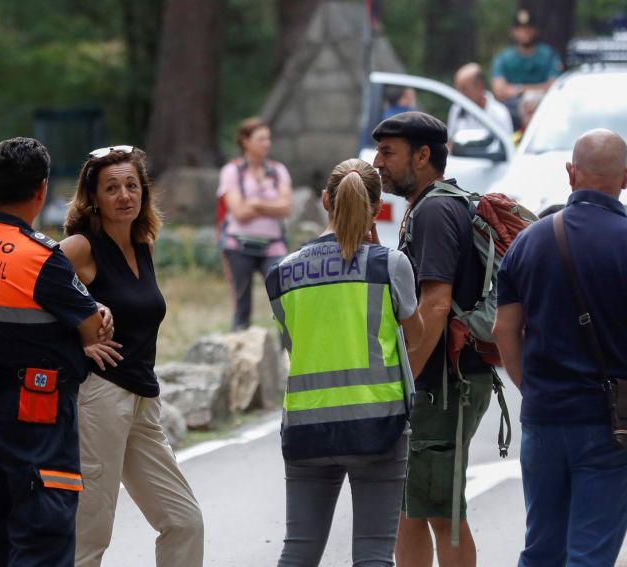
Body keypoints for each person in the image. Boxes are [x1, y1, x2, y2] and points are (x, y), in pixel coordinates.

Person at [0, 137, 110, 566]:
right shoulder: (42, 258)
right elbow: (95, 332)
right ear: (41, 191)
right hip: (38, 420)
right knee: (42, 539)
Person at [265, 158, 422, 567]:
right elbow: (417, 334)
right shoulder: (389, 265)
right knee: (373, 552)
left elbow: (293, 341)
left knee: (298, 548)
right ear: (376, 208)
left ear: (324, 201)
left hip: (305, 427)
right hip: (379, 426)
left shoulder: (282, 274)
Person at [60, 146, 204, 567]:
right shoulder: (81, 247)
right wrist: (81, 337)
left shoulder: (143, 245)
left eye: (132, 185)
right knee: (90, 534)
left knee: (183, 521)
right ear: (94, 198)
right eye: (112, 188)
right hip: (100, 398)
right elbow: (34, 283)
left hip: (143, 401)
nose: (125, 195)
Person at [494, 129, 627, 567]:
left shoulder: (528, 242)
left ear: (571, 173)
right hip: (610, 425)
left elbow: (503, 329)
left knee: (542, 550)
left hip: (544, 417)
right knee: (589, 554)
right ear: (624, 179)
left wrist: (528, 387)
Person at [371, 112, 494, 567]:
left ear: (423, 156)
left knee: (442, 511)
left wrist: (406, 382)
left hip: (443, 384)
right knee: (412, 509)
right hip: (442, 381)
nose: (378, 162)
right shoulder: (429, 206)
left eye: (388, 152)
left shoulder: (437, 210)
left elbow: (436, 304)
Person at [217, 117, 293, 331]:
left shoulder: (278, 171)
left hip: (273, 245)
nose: (266, 144)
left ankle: (286, 352)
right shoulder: (232, 172)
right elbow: (238, 211)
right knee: (242, 304)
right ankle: (240, 351)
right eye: (261, 139)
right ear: (245, 141)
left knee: (283, 299)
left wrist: (256, 203)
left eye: (268, 139)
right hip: (238, 246)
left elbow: (287, 207)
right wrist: (271, 204)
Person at [491, 9, 562, 128]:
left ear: (535, 31)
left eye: (528, 28)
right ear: (513, 32)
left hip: (545, 112)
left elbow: (555, 86)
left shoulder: (548, 55)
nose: (525, 32)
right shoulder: (504, 58)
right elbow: (499, 91)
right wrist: (535, 89)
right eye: (520, 28)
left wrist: (520, 89)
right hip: (512, 118)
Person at [447, 63, 514, 142]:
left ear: (480, 86)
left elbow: (507, 146)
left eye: (465, 90)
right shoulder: (457, 109)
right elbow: (450, 142)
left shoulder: (499, 113)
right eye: (458, 90)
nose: (460, 95)